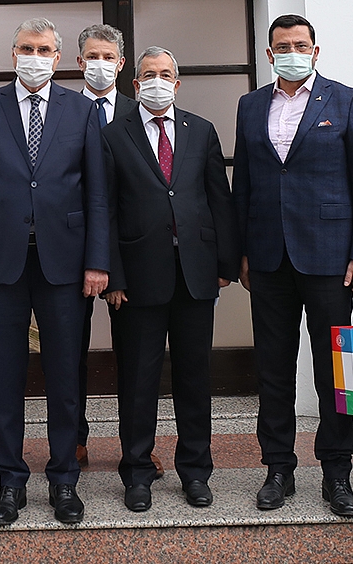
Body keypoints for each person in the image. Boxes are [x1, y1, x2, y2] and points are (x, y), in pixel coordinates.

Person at [0, 17, 110, 527]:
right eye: (27, 48)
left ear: (59, 57)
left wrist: (97, 262)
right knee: (6, 376)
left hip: (64, 263)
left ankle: (64, 478)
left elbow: (97, 194)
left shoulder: (82, 110)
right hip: (0, 263)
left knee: (65, 375)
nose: (35, 57)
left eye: (45, 49)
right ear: (13, 53)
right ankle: (10, 481)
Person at [232, 13, 353, 517]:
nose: (291, 52)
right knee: (273, 369)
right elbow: (244, 182)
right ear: (269, 53)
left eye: (300, 44)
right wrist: (242, 251)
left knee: (334, 369)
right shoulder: (251, 105)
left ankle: (337, 472)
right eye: (282, 46)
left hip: (330, 257)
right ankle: (278, 468)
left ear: (315, 51)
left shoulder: (346, 100)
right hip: (268, 256)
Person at [102, 47, 238, 512]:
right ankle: (137, 473)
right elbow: (105, 209)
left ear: (177, 84)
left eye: (165, 74)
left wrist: (224, 265)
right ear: (135, 84)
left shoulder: (201, 130)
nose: (157, 81)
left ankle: (195, 471)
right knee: (138, 381)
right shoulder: (112, 135)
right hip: (137, 278)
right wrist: (113, 275)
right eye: (148, 75)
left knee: (194, 378)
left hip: (196, 275)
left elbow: (219, 199)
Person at [73, 24, 139, 468]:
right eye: (92, 57)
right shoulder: (62, 110)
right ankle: (74, 439)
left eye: (108, 57)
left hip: (129, 255)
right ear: (79, 62)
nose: (100, 64)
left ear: (121, 63)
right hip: (70, 251)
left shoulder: (140, 111)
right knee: (68, 352)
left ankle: (136, 447)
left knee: (133, 356)